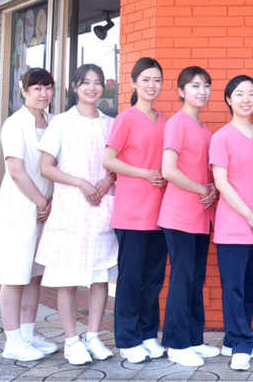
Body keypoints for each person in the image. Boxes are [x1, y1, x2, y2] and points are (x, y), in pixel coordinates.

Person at [36, 64, 117, 365]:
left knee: (99, 278)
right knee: (67, 278)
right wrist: (81, 183)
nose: (92, 88)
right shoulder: (61, 123)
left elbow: (115, 166)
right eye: (85, 83)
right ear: (74, 87)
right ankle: (71, 340)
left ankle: (93, 336)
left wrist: (107, 181)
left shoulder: (111, 124)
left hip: (100, 208)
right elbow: (46, 167)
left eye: (97, 83)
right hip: (71, 208)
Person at [211, 75, 253, 371]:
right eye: (239, 94)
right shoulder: (221, 137)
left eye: (251, 94)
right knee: (234, 288)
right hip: (235, 225)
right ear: (229, 99)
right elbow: (221, 183)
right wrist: (250, 215)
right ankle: (241, 343)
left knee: (252, 286)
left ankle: (231, 340)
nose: (245, 99)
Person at [102, 57, 168, 364]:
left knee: (153, 277)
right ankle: (127, 339)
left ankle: (147, 334)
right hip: (132, 211)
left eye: (156, 80)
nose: (151, 85)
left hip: (161, 212)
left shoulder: (166, 121)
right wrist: (143, 173)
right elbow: (109, 160)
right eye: (146, 80)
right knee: (130, 277)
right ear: (133, 84)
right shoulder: (126, 119)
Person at [0, 67, 58, 361]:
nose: (43, 94)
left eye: (48, 88)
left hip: (46, 209)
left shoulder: (54, 122)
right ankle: (12, 341)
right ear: (24, 91)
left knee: (34, 275)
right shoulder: (14, 123)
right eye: (37, 89)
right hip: (20, 209)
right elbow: (16, 170)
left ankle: (28, 336)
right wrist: (41, 203)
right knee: (15, 276)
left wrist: (50, 202)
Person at [158, 66, 220, 367]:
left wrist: (208, 190)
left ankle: (194, 339)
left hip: (200, 214)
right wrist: (203, 188)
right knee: (182, 279)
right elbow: (168, 170)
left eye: (206, 85)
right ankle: (176, 342)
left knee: (196, 277)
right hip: (179, 215)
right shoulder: (178, 123)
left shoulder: (203, 127)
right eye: (195, 86)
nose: (202, 91)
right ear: (181, 91)